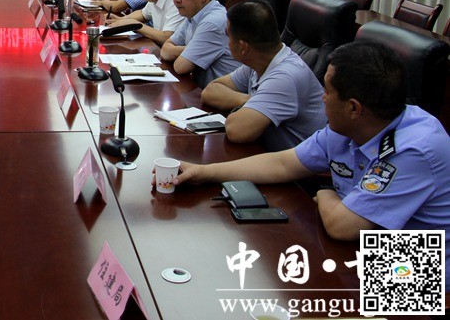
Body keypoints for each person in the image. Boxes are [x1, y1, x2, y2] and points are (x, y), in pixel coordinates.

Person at [175, 42, 450, 284]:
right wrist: (204, 172)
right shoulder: (350, 127)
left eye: (327, 91)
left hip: (416, 272)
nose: (322, 97)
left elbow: (342, 226)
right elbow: (283, 163)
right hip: (361, 249)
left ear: (354, 108)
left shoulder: (415, 149)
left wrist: (326, 194)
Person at [201, 0, 326, 151]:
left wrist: (253, 104)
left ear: (242, 47)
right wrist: (249, 100)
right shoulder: (259, 61)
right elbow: (210, 91)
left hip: (303, 165)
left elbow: (236, 130)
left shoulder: (284, 77)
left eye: (228, 36)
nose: (227, 42)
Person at [160, 0, 240, 87]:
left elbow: (181, 66)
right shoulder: (193, 14)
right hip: (200, 89)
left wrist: (190, 52)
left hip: (223, 96)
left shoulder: (213, 22)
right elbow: (165, 49)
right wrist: (191, 50)